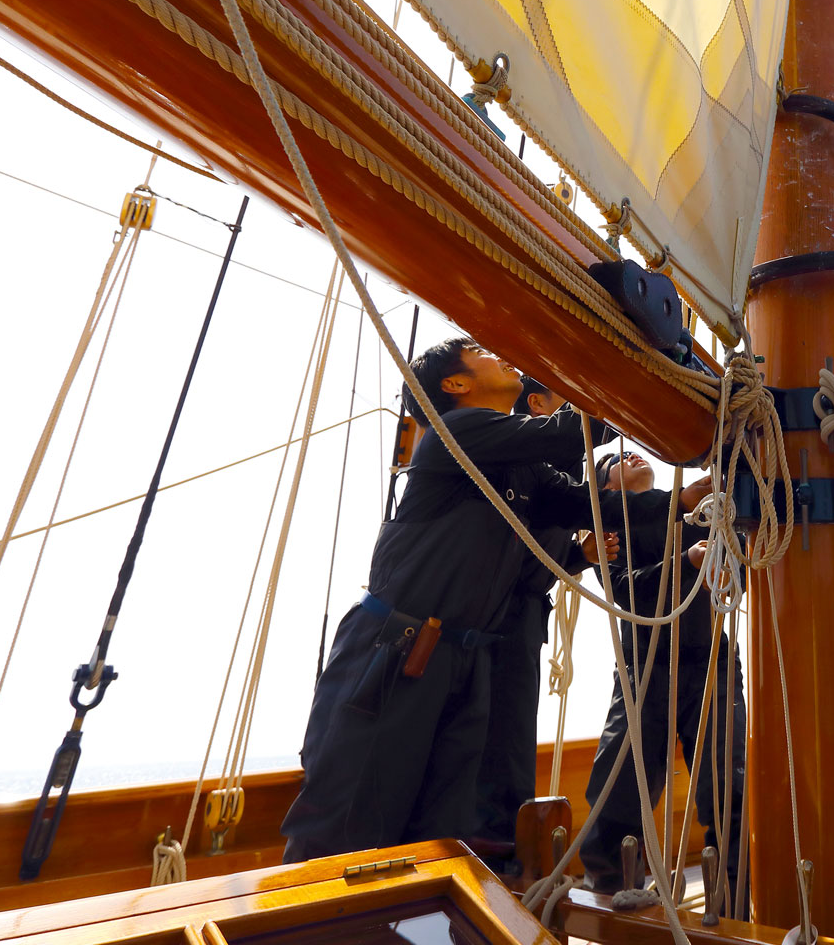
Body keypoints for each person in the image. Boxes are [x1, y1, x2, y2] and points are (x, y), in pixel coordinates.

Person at [283, 338, 707, 863]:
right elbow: (568, 434)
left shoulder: (520, 466)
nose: (504, 354)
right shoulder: (452, 433)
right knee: (347, 819)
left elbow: (584, 502)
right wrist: (627, 366)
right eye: (482, 352)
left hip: (463, 660)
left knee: (439, 834)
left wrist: (681, 500)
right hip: (396, 652)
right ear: (456, 385)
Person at [577, 449, 746, 908]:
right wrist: (689, 561)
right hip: (643, 671)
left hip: (709, 661)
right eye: (613, 461)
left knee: (729, 787)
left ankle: (732, 904)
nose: (629, 453)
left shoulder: (699, 512)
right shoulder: (604, 533)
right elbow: (628, 589)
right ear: (604, 491)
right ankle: (610, 895)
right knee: (618, 791)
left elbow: (740, 570)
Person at [468, 376, 608, 876]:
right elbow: (518, 554)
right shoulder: (525, 456)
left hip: (519, 616)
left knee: (507, 746)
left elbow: (532, 555)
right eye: (563, 399)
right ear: (539, 405)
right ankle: (497, 870)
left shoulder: (554, 466)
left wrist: (578, 555)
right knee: (498, 749)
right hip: (499, 620)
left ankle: (502, 862)